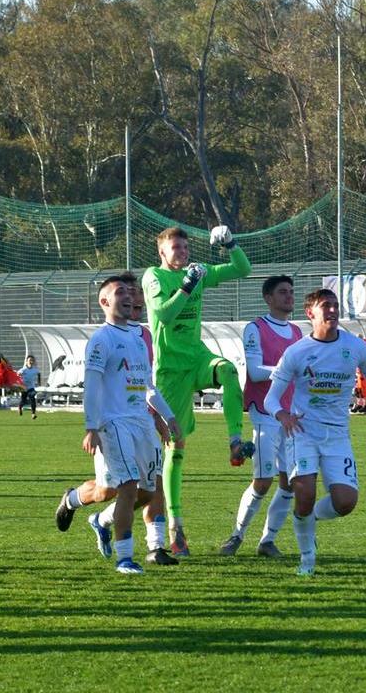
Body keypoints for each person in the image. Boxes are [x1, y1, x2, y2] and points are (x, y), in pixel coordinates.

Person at [264, 288, 366, 576]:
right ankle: (307, 559)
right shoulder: (297, 352)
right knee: (304, 492)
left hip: (337, 435)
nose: (332, 310)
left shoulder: (355, 347)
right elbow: (271, 398)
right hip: (302, 431)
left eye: (336, 305)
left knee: (345, 502)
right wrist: (282, 414)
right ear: (310, 313)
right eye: (326, 305)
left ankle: (308, 519)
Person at [54, 276, 180, 566]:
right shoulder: (102, 340)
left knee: (147, 492)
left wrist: (168, 417)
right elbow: (93, 386)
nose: (128, 296)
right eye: (119, 291)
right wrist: (91, 427)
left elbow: (147, 385)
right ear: (104, 302)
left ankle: (100, 519)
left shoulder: (138, 337)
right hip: (114, 424)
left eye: (130, 292)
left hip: (142, 423)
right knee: (126, 488)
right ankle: (126, 559)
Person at [142, 225, 252, 555]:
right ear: (162, 252)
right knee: (174, 447)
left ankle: (235, 442)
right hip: (170, 370)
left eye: (185, 246)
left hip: (197, 357)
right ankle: (175, 527)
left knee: (230, 371)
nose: (183, 252)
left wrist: (231, 244)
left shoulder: (197, 273)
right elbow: (164, 312)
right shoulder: (153, 277)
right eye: (176, 247)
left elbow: (243, 269)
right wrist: (189, 284)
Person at [217, 275, 301, 558]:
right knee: (263, 481)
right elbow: (254, 372)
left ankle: (267, 541)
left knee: (291, 481)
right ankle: (237, 535)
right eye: (282, 292)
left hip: (291, 416)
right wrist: (287, 369)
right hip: (265, 411)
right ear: (268, 298)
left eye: (291, 292)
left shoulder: (299, 332)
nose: (289, 296)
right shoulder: (255, 328)